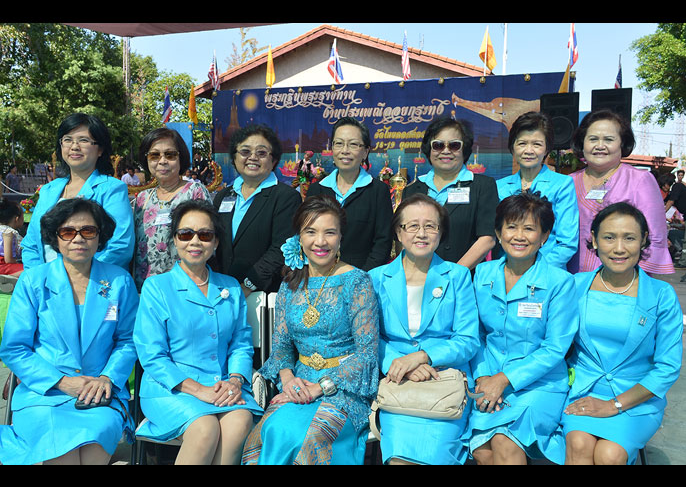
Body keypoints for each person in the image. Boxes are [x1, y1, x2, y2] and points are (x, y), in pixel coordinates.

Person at [242, 194, 379, 465]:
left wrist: (321, 387)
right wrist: (288, 379)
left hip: (344, 389)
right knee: (266, 432)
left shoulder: (357, 282)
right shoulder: (290, 284)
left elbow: (367, 354)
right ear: (299, 237)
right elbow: (281, 347)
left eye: (330, 232)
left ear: (340, 237)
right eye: (311, 232)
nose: (320, 241)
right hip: (298, 385)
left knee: (309, 438)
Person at [0, 198, 139, 465]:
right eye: (67, 231)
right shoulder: (33, 280)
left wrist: (107, 378)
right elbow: (14, 348)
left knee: (94, 446)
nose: (78, 238)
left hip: (100, 394)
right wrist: (62, 382)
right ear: (55, 237)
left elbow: (128, 340)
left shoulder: (119, 281)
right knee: (62, 452)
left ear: (100, 236)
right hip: (44, 394)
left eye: (88, 230)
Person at [133, 199, 262, 464]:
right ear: (175, 239)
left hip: (222, 385)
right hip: (170, 388)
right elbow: (152, 355)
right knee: (205, 428)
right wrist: (199, 390)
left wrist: (235, 380)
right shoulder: (157, 288)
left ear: (215, 243)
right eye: (185, 234)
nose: (195, 241)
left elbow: (240, 343)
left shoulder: (230, 287)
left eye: (205, 235)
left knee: (240, 421)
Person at [562, 202, 683, 465]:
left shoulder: (661, 296)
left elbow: (668, 367)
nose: (619, 248)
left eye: (629, 238)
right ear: (594, 240)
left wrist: (614, 405)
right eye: (609, 237)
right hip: (583, 392)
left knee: (610, 455)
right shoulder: (574, 286)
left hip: (637, 398)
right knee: (578, 443)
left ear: (644, 240)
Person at [368, 193, 480, 465]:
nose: (421, 233)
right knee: (399, 459)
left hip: (444, 382)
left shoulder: (457, 276)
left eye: (430, 226)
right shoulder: (377, 278)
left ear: (441, 232)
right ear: (398, 232)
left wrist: (423, 356)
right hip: (398, 384)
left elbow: (468, 340)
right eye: (412, 226)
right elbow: (370, 338)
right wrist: (400, 363)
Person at [468, 191, 578, 465]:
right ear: (498, 233)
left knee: (505, 441)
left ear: (544, 236)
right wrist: (483, 376)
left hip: (540, 384)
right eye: (512, 227)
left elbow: (555, 348)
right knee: (482, 451)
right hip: (488, 378)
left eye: (529, 229)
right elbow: (476, 335)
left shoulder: (560, 282)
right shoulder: (482, 274)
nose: (519, 236)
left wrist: (504, 379)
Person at [20, 113, 134, 271]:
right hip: (45, 281)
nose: (74, 146)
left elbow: (120, 246)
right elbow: (31, 244)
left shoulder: (112, 189)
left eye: (83, 140)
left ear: (100, 149)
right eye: (67, 140)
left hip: (93, 281)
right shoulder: (48, 190)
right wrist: (39, 277)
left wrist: (76, 278)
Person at [568, 109, 674, 275]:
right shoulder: (568, 182)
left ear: (622, 144)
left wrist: (638, 281)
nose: (600, 146)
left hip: (622, 279)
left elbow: (655, 236)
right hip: (571, 277)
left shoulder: (640, 180)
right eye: (593, 139)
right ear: (582, 143)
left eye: (608, 139)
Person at [212, 124, 302, 295]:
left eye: (261, 153)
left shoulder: (286, 197)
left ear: (273, 160)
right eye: (245, 151)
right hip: (223, 290)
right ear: (234, 157)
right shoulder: (223, 196)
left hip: (263, 293)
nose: (252, 157)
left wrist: (248, 285)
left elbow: (281, 248)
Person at [402, 117, 498, 271]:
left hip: (462, 277)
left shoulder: (482, 186)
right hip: (419, 275)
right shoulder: (412, 189)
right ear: (429, 149)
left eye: (454, 145)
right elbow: (405, 237)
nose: (446, 151)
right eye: (438, 145)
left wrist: (454, 274)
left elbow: (487, 239)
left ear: (464, 149)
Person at [306, 117, 393, 271]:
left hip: (362, 277)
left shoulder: (378, 191)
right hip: (320, 276)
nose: (345, 150)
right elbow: (307, 236)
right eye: (339, 143)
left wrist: (361, 279)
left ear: (365, 152)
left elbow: (383, 244)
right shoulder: (316, 190)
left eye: (353, 144)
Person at [496, 111, 579, 269]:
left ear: (547, 149)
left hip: (548, 271)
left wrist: (535, 271)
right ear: (512, 147)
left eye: (537, 144)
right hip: (507, 270)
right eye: (522, 143)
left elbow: (567, 243)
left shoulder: (562, 184)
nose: (529, 150)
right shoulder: (499, 187)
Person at [132, 127, 211, 290]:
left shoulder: (194, 192)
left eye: (170, 155)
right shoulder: (142, 198)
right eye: (154, 155)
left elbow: (207, 240)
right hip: (146, 289)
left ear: (181, 158)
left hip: (185, 287)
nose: (162, 161)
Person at [661, 174, 686, 280]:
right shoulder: (673, 192)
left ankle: (683, 262)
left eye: (663, 186)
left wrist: (661, 214)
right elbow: (665, 201)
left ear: (666, 184)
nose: (663, 189)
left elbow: (670, 202)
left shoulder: (677, 186)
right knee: (675, 234)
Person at [0, 198, 24, 276]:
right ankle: (7, 277)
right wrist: (17, 263)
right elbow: (8, 259)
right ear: (17, 219)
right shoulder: (8, 232)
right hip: (3, 265)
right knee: (30, 270)